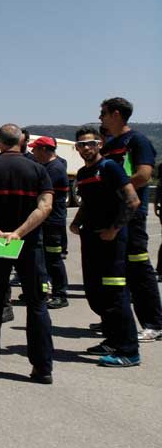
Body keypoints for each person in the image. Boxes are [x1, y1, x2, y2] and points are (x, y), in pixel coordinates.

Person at [0, 124, 54, 384]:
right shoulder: (38, 170)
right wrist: (19, 232)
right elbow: (45, 206)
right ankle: (42, 368)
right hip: (29, 244)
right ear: (22, 141)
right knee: (37, 305)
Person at [70, 126, 141, 367]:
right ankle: (112, 340)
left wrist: (114, 229)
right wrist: (77, 222)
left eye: (90, 143)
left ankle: (129, 350)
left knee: (115, 294)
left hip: (112, 241)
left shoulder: (110, 167)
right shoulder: (81, 173)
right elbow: (87, 203)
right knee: (96, 293)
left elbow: (132, 201)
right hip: (91, 239)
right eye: (81, 144)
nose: (86, 148)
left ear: (100, 144)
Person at [99, 97, 161, 342]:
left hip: (131, 214)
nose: (100, 117)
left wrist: (116, 190)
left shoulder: (137, 140)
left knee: (139, 267)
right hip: (112, 214)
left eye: (103, 112)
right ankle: (123, 318)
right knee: (118, 269)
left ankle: (154, 323)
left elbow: (144, 175)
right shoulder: (111, 143)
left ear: (116, 114)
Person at [29, 136, 70, 308]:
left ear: (44, 149)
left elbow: (39, 191)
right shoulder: (46, 166)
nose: (32, 152)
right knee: (42, 258)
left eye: (35, 149)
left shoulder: (55, 168)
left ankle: (60, 294)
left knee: (53, 258)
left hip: (52, 221)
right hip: (44, 220)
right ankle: (42, 291)